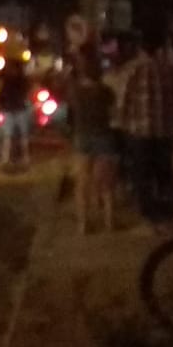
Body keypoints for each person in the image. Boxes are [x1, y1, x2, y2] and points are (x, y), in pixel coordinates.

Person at [113, 27, 173, 228]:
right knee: (165, 174)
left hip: (139, 133)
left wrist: (122, 126)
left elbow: (122, 103)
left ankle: (149, 217)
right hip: (166, 132)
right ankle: (165, 215)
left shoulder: (131, 70)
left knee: (142, 176)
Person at [69, 48, 118, 233]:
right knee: (106, 183)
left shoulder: (75, 91)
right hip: (104, 136)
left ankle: (83, 223)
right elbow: (113, 113)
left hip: (82, 136)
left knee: (82, 183)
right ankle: (109, 221)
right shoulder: (105, 91)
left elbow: (72, 112)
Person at [0, 60, 30, 171]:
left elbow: (1, 97)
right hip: (18, 109)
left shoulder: (7, 81)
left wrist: (1, 107)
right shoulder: (22, 81)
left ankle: (7, 159)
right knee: (20, 136)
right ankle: (22, 159)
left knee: (9, 136)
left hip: (12, 110)